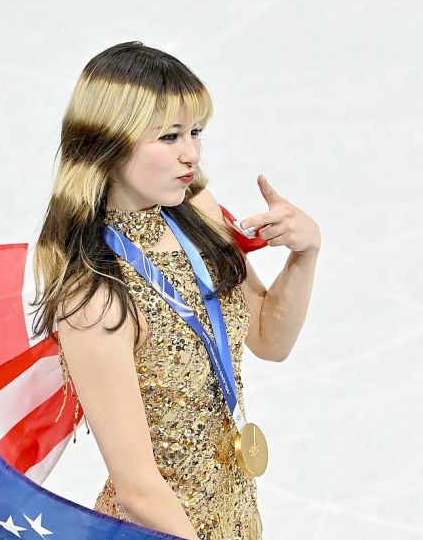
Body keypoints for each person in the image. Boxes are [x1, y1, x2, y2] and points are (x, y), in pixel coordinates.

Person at [29, 41, 321, 540]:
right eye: (168, 136)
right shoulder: (94, 296)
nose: (191, 153)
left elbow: (270, 340)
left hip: (237, 520)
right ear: (109, 142)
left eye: (195, 132)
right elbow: (137, 488)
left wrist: (304, 254)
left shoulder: (198, 213)